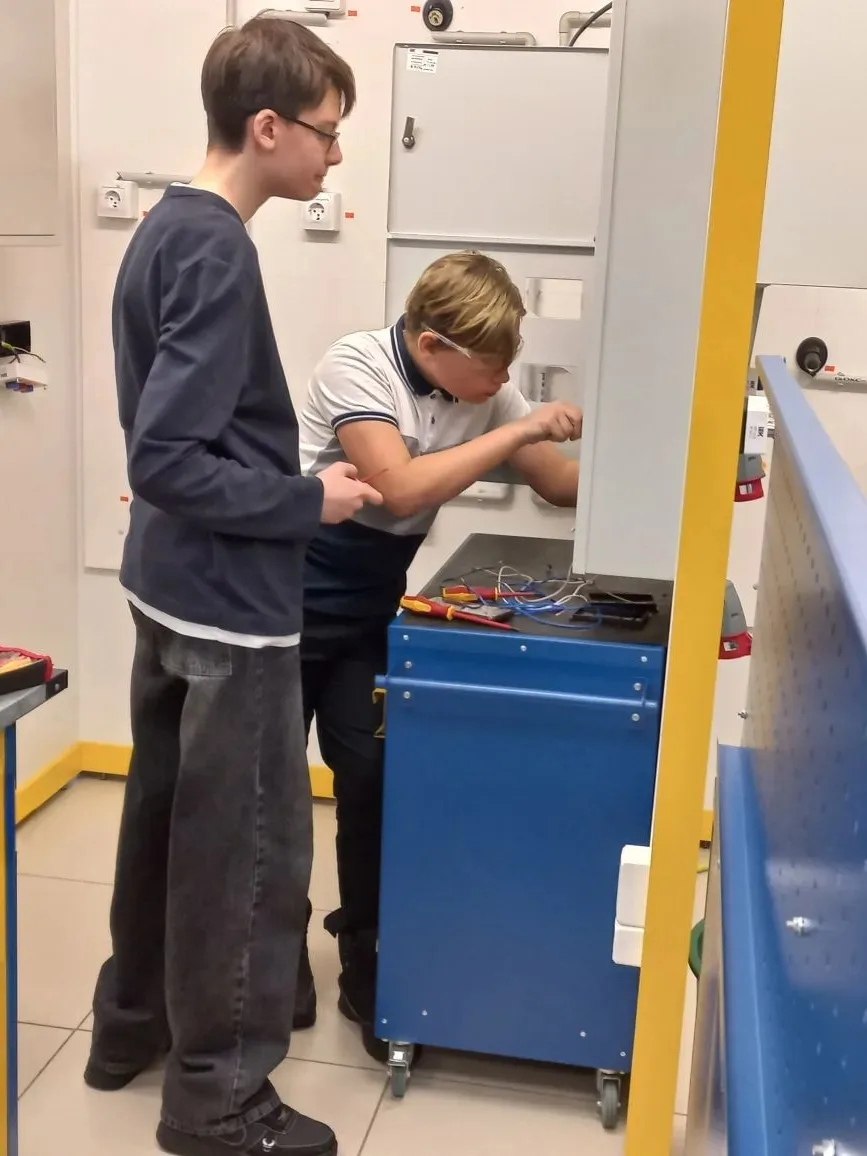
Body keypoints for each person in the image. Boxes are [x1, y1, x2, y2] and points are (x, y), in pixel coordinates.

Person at [85, 16, 381, 1156]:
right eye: (326, 132)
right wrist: (312, 500)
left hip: (166, 584)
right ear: (266, 127)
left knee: (164, 818)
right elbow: (167, 457)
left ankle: (131, 1023)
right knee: (249, 852)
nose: (335, 155)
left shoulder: (166, 225)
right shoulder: (217, 250)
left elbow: (174, 444)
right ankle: (218, 1100)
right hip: (228, 607)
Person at [294, 251, 583, 1060]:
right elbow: (400, 489)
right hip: (284, 606)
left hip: (364, 615)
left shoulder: (484, 390)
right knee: (271, 798)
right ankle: (273, 959)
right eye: (490, 366)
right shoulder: (357, 366)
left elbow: (555, 483)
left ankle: (365, 959)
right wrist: (519, 427)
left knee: (372, 782)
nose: (502, 381)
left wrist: (661, 463)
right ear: (430, 345)